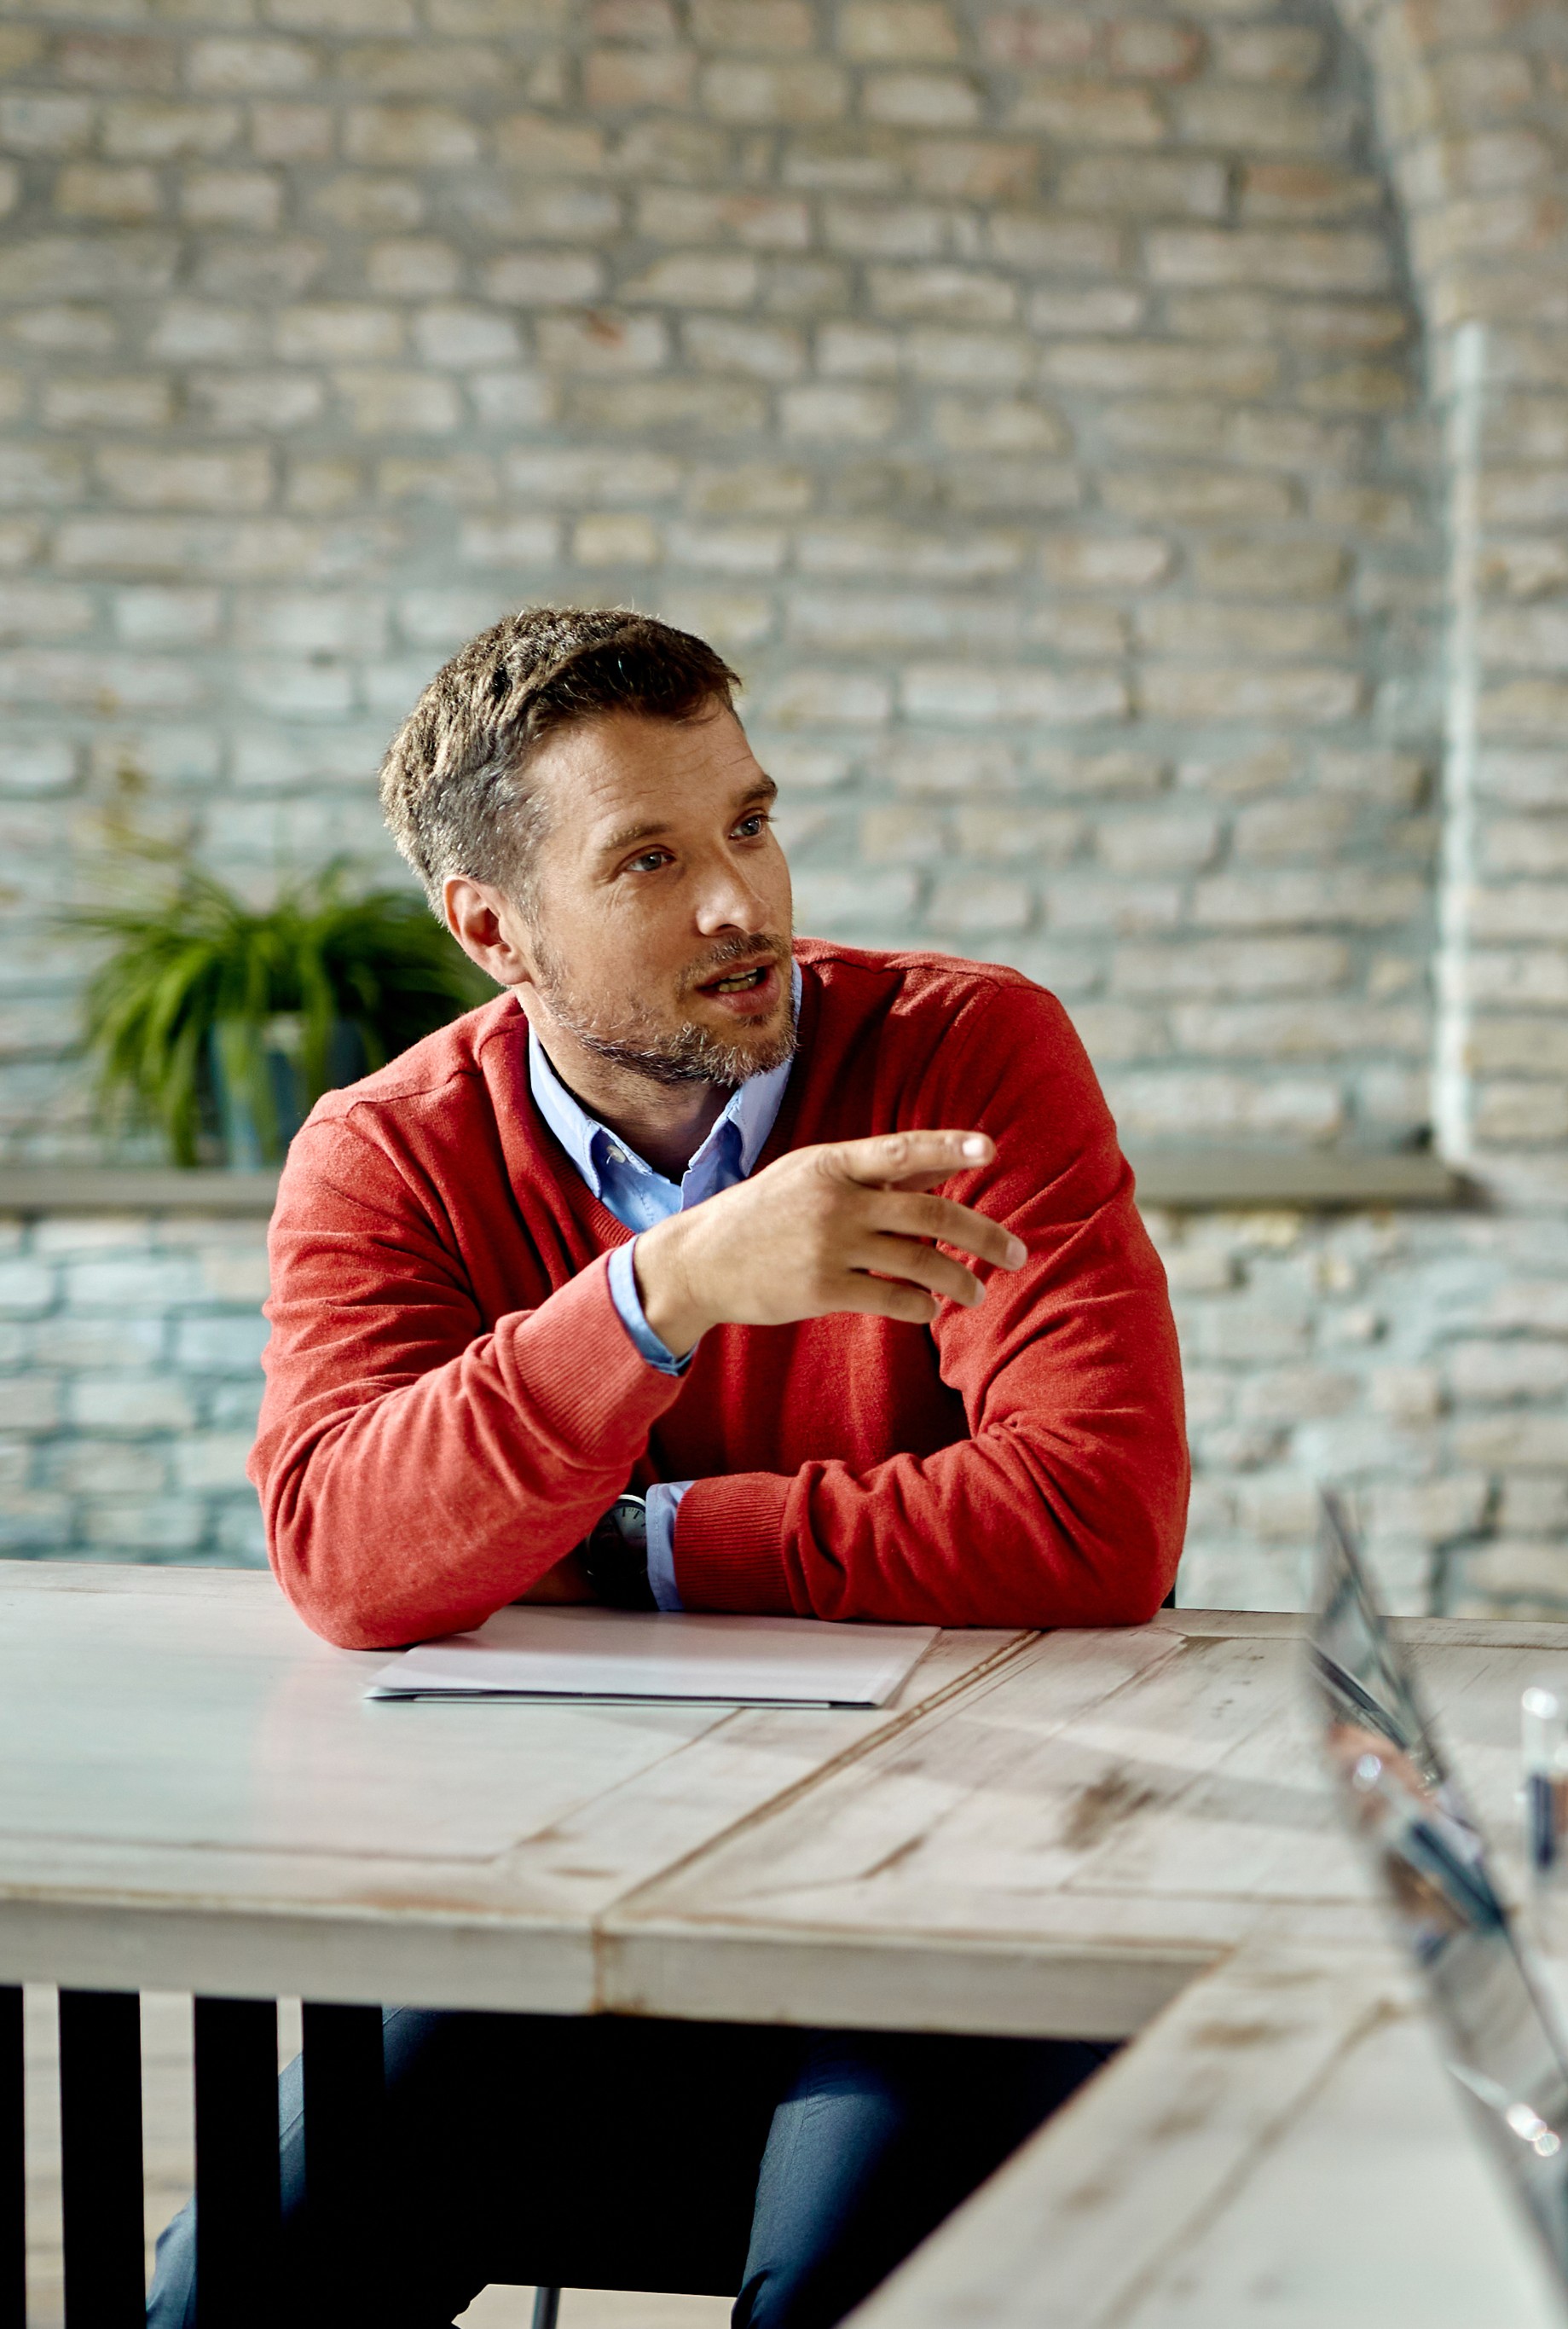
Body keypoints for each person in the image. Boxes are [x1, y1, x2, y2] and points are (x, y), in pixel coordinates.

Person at [153, 608, 1189, 2326]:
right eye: (647, 856)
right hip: (561, 1925)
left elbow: (1090, 1519)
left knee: (844, 2296)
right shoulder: (388, 1154)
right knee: (238, 2286)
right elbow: (347, 1547)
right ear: (495, 929)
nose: (740, 902)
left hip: (941, 1910)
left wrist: (636, 1539)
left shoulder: (965, 1058)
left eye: (750, 823)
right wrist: (666, 1291)